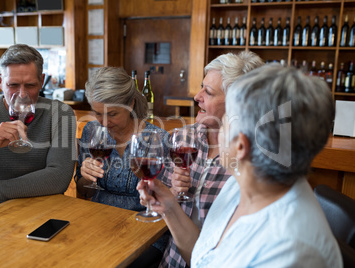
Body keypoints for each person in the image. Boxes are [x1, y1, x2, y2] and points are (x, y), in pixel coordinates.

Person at [138, 64, 342, 267]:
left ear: (241, 145)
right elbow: (203, 258)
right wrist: (169, 207)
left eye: (226, 122)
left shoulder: (288, 249)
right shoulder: (243, 183)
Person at [160, 51, 264, 268]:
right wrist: (171, 194)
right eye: (201, 87)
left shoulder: (252, 160)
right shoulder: (182, 138)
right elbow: (160, 211)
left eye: (208, 92)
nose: (197, 97)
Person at [0, 44, 76, 219]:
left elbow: (59, 177)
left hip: (44, 213)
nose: (22, 94)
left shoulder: (60, 113)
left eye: (31, 85)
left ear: (42, 80)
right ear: (0, 81)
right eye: (13, 85)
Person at [75, 66, 169, 267]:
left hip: (144, 230)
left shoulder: (157, 140)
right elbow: (84, 191)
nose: (104, 122)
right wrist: (85, 176)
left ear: (131, 103)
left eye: (113, 114)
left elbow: (166, 203)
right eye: (98, 113)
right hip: (97, 224)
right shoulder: (92, 132)